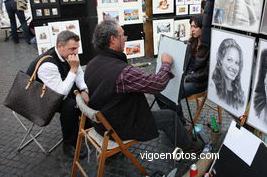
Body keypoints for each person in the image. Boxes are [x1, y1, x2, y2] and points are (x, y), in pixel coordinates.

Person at [84, 20, 203, 153]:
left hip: (103, 123)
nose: (125, 38)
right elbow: (157, 84)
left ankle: (180, 133)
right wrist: (166, 64)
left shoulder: (92, 64)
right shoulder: (121, 72)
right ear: (113, 39)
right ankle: (189, 147)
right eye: (123, 35)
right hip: (119, 125)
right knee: (170, 117)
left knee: (164, 108)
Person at [26, 30, 89, 158]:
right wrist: (73, 69)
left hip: (56, 89)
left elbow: (79, 73)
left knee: (84, 92)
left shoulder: (68, 54)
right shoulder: (48, 65)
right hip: (39, 99)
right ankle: (69, 145)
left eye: (77, 48)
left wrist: (83, 90)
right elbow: (61, 95)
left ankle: (86, 126)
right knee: (70, 105)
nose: (76, 52)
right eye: (72, 48)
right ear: (60, 47)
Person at [156, 14, 210, 122]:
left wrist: (188, 77)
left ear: (203, 28)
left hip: (198, 82)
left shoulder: (209, 47)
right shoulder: (192, 42)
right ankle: (172, 118)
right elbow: (180, 59)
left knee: (173, 92)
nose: (192, 29)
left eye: (195, 27)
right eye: (191, 26)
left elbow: (206, 73)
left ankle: (179, 122)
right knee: (158, 90)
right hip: (185, 76)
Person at [211, 38, 245, 110]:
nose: (234, 67)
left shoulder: (240, 94)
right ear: (220, 59)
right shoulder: (213, 86)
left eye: (237, 63)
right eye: (229, 60)